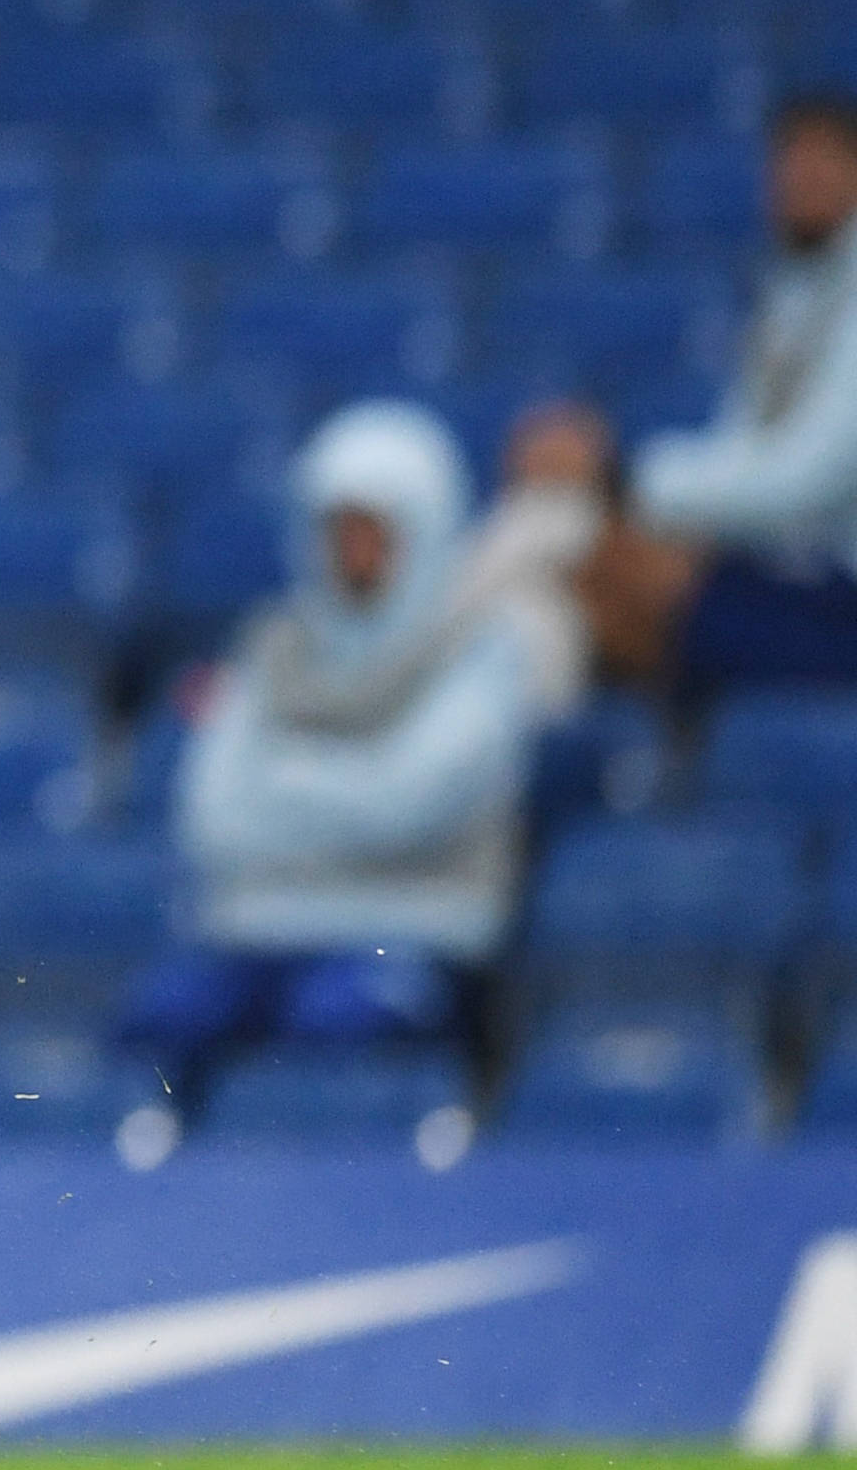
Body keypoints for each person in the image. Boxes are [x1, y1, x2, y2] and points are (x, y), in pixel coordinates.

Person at [114, 403, 546, 1100]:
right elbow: (211, 816)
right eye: (335, 532)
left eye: (372, 533)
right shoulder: (273, 645)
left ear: (427, 531)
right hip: (255, 936)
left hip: (418, 935)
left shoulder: (482, 650)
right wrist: (352, 793)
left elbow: (409, 805)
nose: (350, 555)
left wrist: (283, 783)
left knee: (338, 1029)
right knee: (162, 1018)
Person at [555, 91, 857, 696]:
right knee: (584, 563)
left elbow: (805, 482)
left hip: (837, 597)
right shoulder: (792, 289)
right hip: (788, 575)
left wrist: (628, 480)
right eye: (789, 164)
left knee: (595, 565)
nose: (800, 180)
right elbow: (744, 444)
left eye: (823, 164)